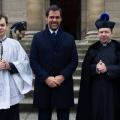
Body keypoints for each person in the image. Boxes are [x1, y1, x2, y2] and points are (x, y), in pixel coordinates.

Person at [30, 4, 78, 120]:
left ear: (61, 19)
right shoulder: (37, 38)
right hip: (43, 86)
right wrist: (46, 78)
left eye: (57, 17)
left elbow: (74, 61)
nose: (54, 20)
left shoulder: (69, 38)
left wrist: (62, 76)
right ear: (46, 18)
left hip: (63, 86)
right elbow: (33, 60)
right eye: (51, 17)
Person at [76, 12, 120, 120]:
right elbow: (86, 69)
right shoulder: (92, 49)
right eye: (101, 32)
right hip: (95, 89)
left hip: (113, 89)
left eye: (106, 32)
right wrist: (95, 68)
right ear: (98, 34)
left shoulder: (118, 48)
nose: (103, 34)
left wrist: (108, 69)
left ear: (111, 33)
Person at [0, 15, 33, 120]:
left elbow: (25, 63)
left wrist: (10, 65)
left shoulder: (15, 44)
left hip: (11, 92)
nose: (0, 27)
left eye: (2, 25)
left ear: (7, 26)